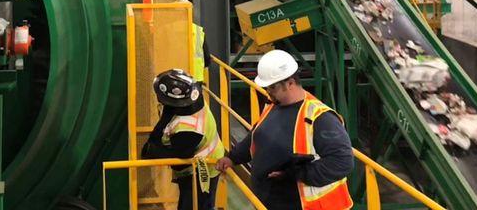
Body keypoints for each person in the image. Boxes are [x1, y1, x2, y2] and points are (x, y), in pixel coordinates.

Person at [215, 50, 354, 210]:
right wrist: (233, 158)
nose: (268, 91)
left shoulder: (320, 118)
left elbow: (342, 162)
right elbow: (257, 136)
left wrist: (296, 174)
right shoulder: (273, 105)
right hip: (267, 201)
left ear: (290, 83)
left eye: (272, 87)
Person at [142, 69, 225, 210]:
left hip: (201, 170)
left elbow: (180, 161)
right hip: (208, 157)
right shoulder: (193, 97)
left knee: (195, 205)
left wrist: (153, 150)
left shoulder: (187, 130)